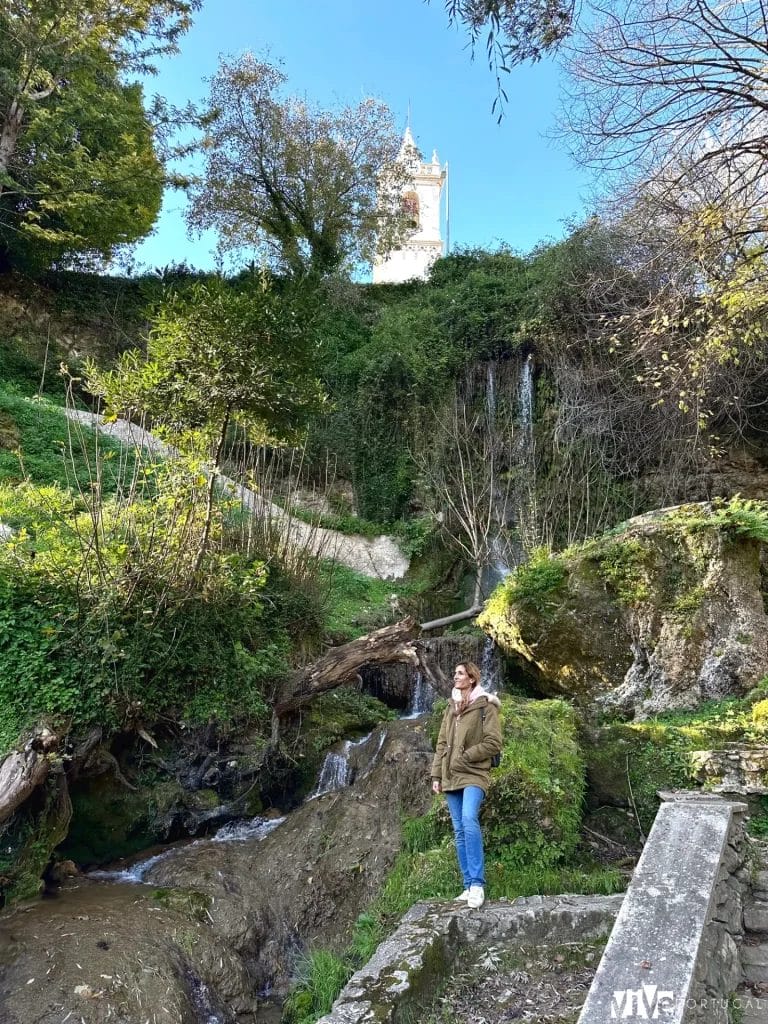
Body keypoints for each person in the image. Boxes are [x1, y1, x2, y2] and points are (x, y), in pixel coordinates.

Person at [430, 661, 502, 910]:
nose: (455, 676)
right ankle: (468, 884)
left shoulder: (486, 707)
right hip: (450, 776)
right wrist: (436, 775)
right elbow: (441, 744)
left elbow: (494, 742)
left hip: (474, 774)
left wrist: (466, 756)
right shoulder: (451, 707)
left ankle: (478, 885)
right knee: (459, 830)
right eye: (455, 673)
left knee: (469, 819)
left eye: (460, 673)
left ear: (472, 678)